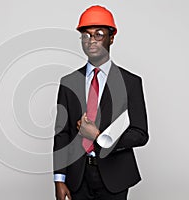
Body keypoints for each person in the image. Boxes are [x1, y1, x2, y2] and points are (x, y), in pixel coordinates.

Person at [53, 5, 149, 200]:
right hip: (77, 177)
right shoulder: (68, 82)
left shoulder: (130, 82)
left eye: (98, 34)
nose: (91, 41)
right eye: (86, 35)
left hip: (115, 176)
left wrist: (98, 136)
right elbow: (62, 135)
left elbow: (140, 134)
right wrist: (59, 179)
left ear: (111, 37)